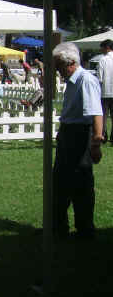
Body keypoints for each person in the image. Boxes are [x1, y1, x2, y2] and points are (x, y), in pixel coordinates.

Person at [52, 42, 103, 239]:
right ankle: (58, 227)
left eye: (59, 66)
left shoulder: (86, 80)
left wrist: (96, 143)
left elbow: (96, 113)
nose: (58, 71)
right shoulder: (73, 81)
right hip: (68, 134)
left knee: (81, 184)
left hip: (80, 136)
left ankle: (85, 229)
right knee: (60, 182)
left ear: (70, 63)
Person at [97, 39, 113, 142]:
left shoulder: (102, 60)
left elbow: (100, 78)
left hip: (105, 92)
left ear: (107, 48)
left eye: (102, 48)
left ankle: (102, 136)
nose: (101, 50)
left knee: (104, 115)